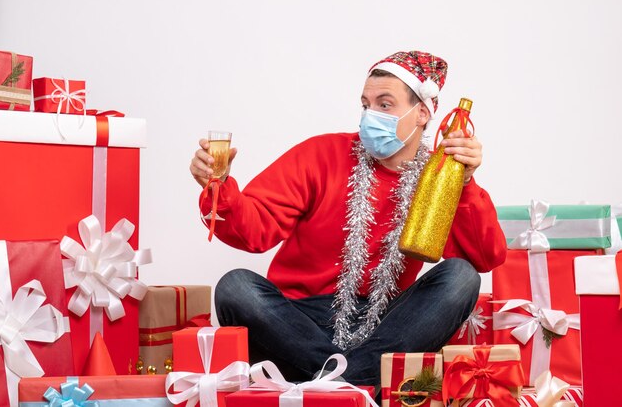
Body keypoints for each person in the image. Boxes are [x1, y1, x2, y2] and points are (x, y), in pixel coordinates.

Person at [189, 50, 507, 387]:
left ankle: (334, 382)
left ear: (423, 113)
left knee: (462, 276)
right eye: (366, 105)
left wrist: (466, 183)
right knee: (236, 286)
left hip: (387, 324)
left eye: (385, 105)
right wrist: (220, 187)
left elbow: (484, 258)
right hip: (298, 322)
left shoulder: (438, 175)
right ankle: (356, 382)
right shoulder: (320, 154)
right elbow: (255, 230)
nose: (371, 114)